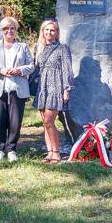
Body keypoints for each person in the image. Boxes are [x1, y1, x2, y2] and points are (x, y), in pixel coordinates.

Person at [0, 16, 34, 163]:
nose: (9, 31)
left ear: (16, 30)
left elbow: (31, 66)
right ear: (1, 30)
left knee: (15, 121)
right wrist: (0, 70)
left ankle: (12, 149)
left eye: (12, 28)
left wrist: (19, 70)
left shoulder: (23, 46)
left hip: (17, 89)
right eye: (6, 28)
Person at [32, 19, 73, 164]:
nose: (49, 32)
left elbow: (67, 69)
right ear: (42, 31)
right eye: (46, 30)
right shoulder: (39, 48)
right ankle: (49, 152)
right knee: (45, 123)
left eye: (52, 30)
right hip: (42, 88)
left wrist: (66, 89)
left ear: (56, 33)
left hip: (56, 87)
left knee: (49, 121)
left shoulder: (62, 48)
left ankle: (56, 152)